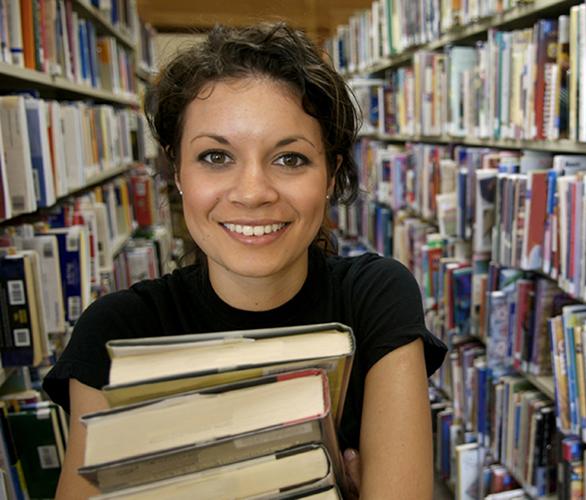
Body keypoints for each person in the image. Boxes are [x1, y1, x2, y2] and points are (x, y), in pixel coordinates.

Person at [43, 22, 447, 499]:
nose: (253, 193)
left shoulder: (376, 296)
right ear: (177, 172)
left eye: (290, 159)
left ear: (331, 174)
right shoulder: (115, 333)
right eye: (216, 157)